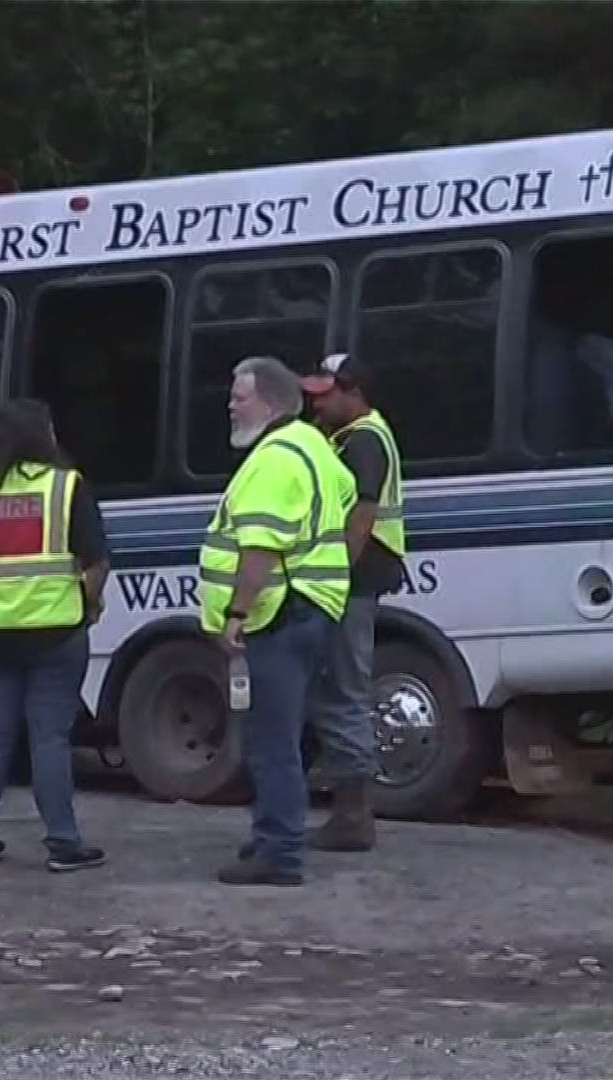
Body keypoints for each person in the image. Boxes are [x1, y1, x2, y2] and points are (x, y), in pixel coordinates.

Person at [199, 355, 355, 887]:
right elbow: (346, 495)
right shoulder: (314, 445)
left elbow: (260, 550)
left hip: (278, 614)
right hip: (313, 609)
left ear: (267, 402)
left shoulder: (272, 460)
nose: (229, 405)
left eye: (239, 397)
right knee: (285, 736)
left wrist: (236, 613)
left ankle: (280, 852)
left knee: (271, 742)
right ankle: (273, 834)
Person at [0, 398, 110, 873]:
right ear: (47, 437)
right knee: (49, 738)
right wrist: (90, 605)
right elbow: (96, 561)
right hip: (56, 632)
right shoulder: (67, 488)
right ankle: (63, 843)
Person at [294, 351, 408, 852]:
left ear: (354, 392)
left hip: (353, 581)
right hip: (355, 579)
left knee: (345, 690)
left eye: (325, 396)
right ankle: (348, 809)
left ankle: (354, 816)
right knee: (340, 688)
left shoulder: (363, 440)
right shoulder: (355, 435)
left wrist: (333, 578)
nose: (316, 406)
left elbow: (360, 516)